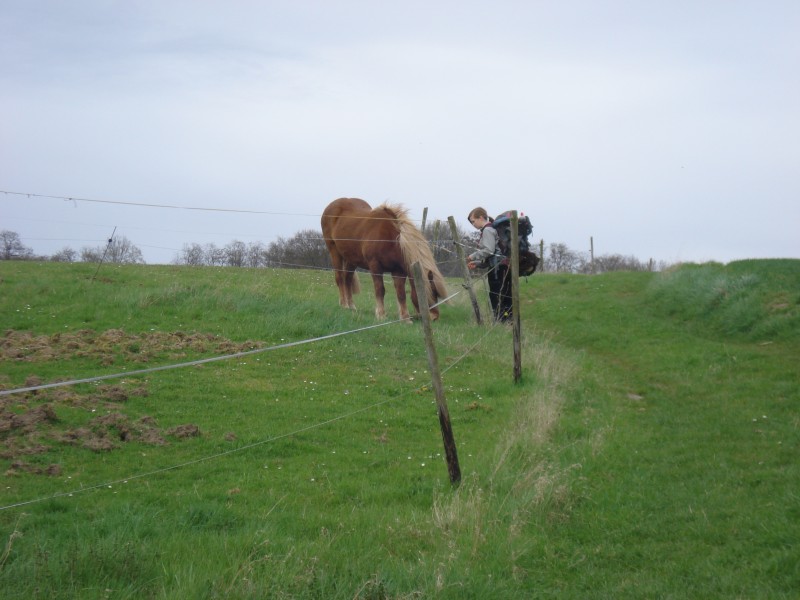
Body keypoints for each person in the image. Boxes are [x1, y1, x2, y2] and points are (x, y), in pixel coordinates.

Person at [467, 207, 513, 322]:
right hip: (504, 267)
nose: (473, 224)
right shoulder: (492, 228)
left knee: (496, 296)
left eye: (473, 221)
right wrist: (478, 264)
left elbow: (489, 250)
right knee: (506, 295)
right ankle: (510, 321)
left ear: (481, 218)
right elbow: (493, 254)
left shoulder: (487, 230)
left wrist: (473, 256)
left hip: (497, 270)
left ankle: (501, 322)